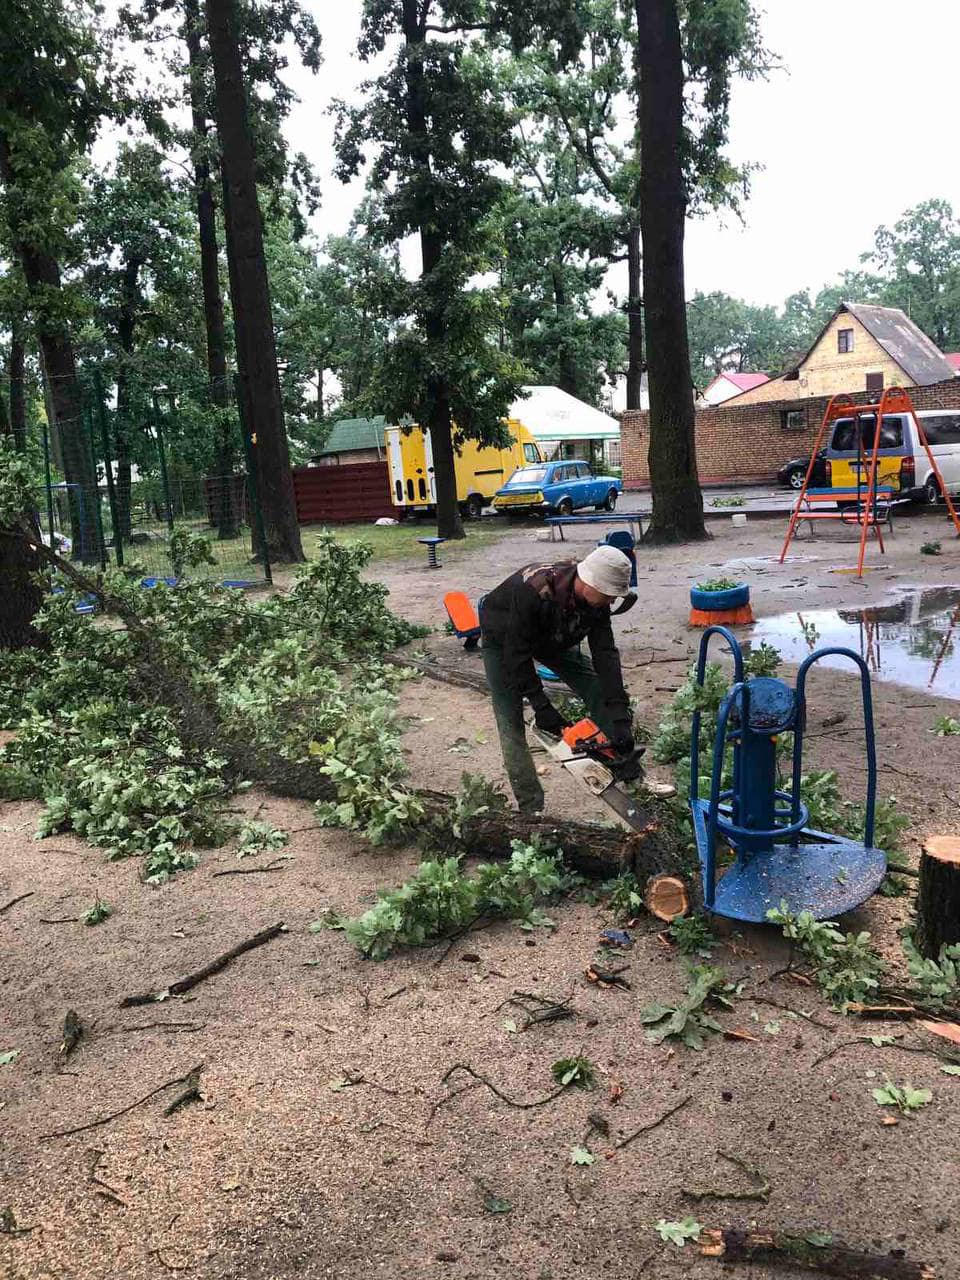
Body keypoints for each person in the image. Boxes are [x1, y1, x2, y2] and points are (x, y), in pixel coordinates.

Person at [478, 545, 636, 813]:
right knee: (510, 718)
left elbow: (605, 654)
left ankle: (626, 765)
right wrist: (542, 705)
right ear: (589, 581)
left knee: (597, 686)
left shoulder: (597, 601)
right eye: (608, 596)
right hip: (504, 640)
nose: (610, 602)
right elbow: (517, 651)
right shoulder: (534, 590)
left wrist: (619, 717)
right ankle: (531, 806)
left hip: (551, 634)